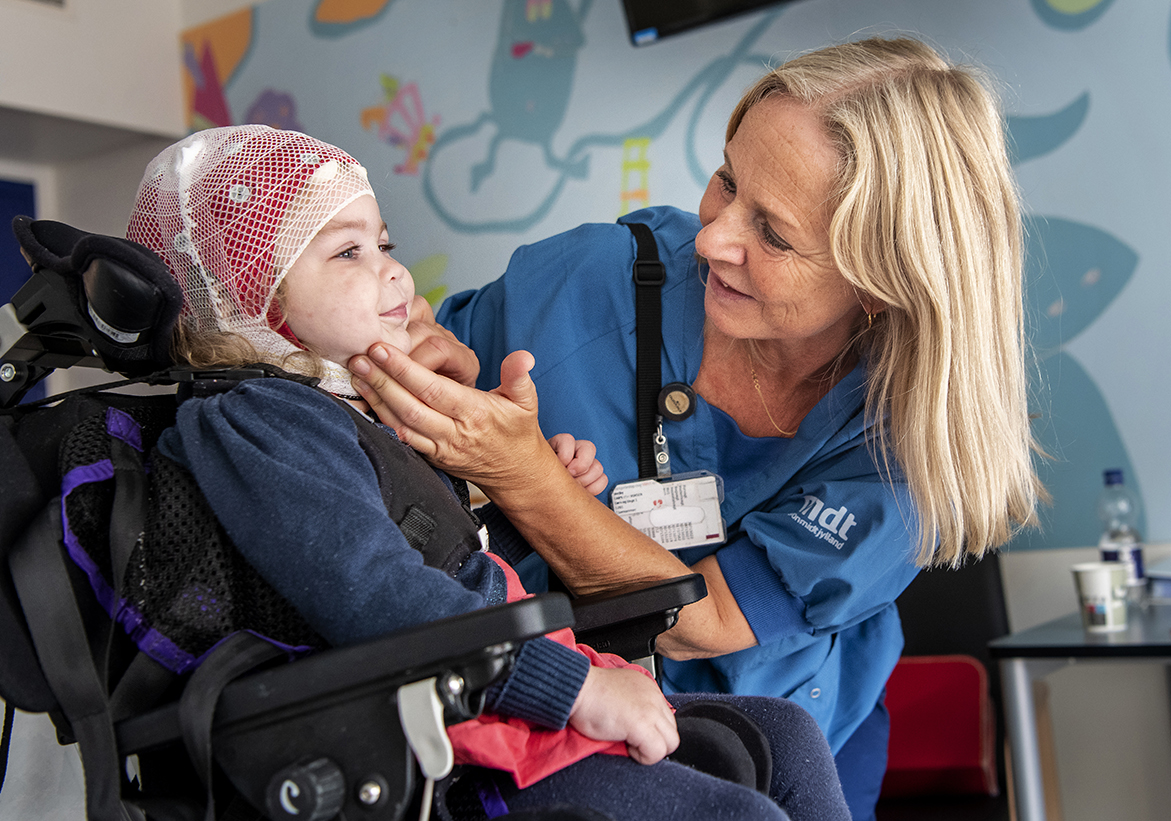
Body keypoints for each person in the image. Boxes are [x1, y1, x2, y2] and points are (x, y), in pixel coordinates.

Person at [348, 37, 1043, 819]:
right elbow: (423, 374)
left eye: (773, 233)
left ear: (881, 285)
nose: (712, 236)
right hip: (557, 726)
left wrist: (526, 476)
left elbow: (701, 622)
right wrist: (434, 365)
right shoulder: (584, 283)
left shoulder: (906, 443)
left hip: (792, 741)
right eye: (727, 180)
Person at [125, 125, 850, 821]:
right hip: (433, 737)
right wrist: (570, 686)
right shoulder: (260, 422)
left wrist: (527, 489)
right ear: (253, 299)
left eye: (383, 244)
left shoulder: (349, 408)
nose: (394, 271)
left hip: (486, 679)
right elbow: (377, 591)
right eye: (347, 253)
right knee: (734, 811)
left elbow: (450, 552)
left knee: (784, 735)